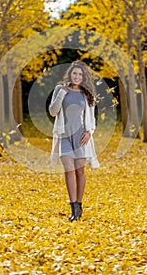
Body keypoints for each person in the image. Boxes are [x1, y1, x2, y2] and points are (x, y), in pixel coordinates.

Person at [49, 61, 99, 221]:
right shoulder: (60, 89)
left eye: (80, 74)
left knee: (80, 171)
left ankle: (79, 205)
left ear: (83, 77)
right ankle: (73, 209)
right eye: (74, 73)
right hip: (64, 136)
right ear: (70, 74)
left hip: (80, 137)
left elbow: (91, 118)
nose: (77, 76)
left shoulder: (86, 93)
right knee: (69, 170)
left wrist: (90, 132)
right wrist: (62, 94)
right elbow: (52, 111)